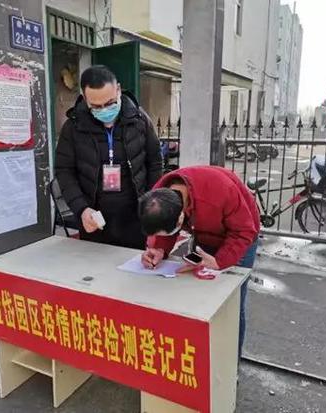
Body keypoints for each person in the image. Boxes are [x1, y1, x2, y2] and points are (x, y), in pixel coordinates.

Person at [138, 166, 260, 354]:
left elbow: (244, 231)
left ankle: (230, 362)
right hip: (204, 231)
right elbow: (164, 229)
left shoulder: (219, 192)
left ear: (181, 217)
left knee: (232, 304)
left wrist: (220, 261)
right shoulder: (157, 199)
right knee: (201, 300)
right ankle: (203, 355)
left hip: (241, 233)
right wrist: (158, 248)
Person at [55, 65, 163, 249]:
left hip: (134, 215)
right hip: (94, 217)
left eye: (110, 103)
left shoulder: (139, 120)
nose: (105, 110)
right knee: (95, 264)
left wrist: (150, 201)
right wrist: (81, 208)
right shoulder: (74, 127)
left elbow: (155, 162)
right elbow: (64, 170)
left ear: (118, 89)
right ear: (85, 98)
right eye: (96, 106)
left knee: (133, 262)